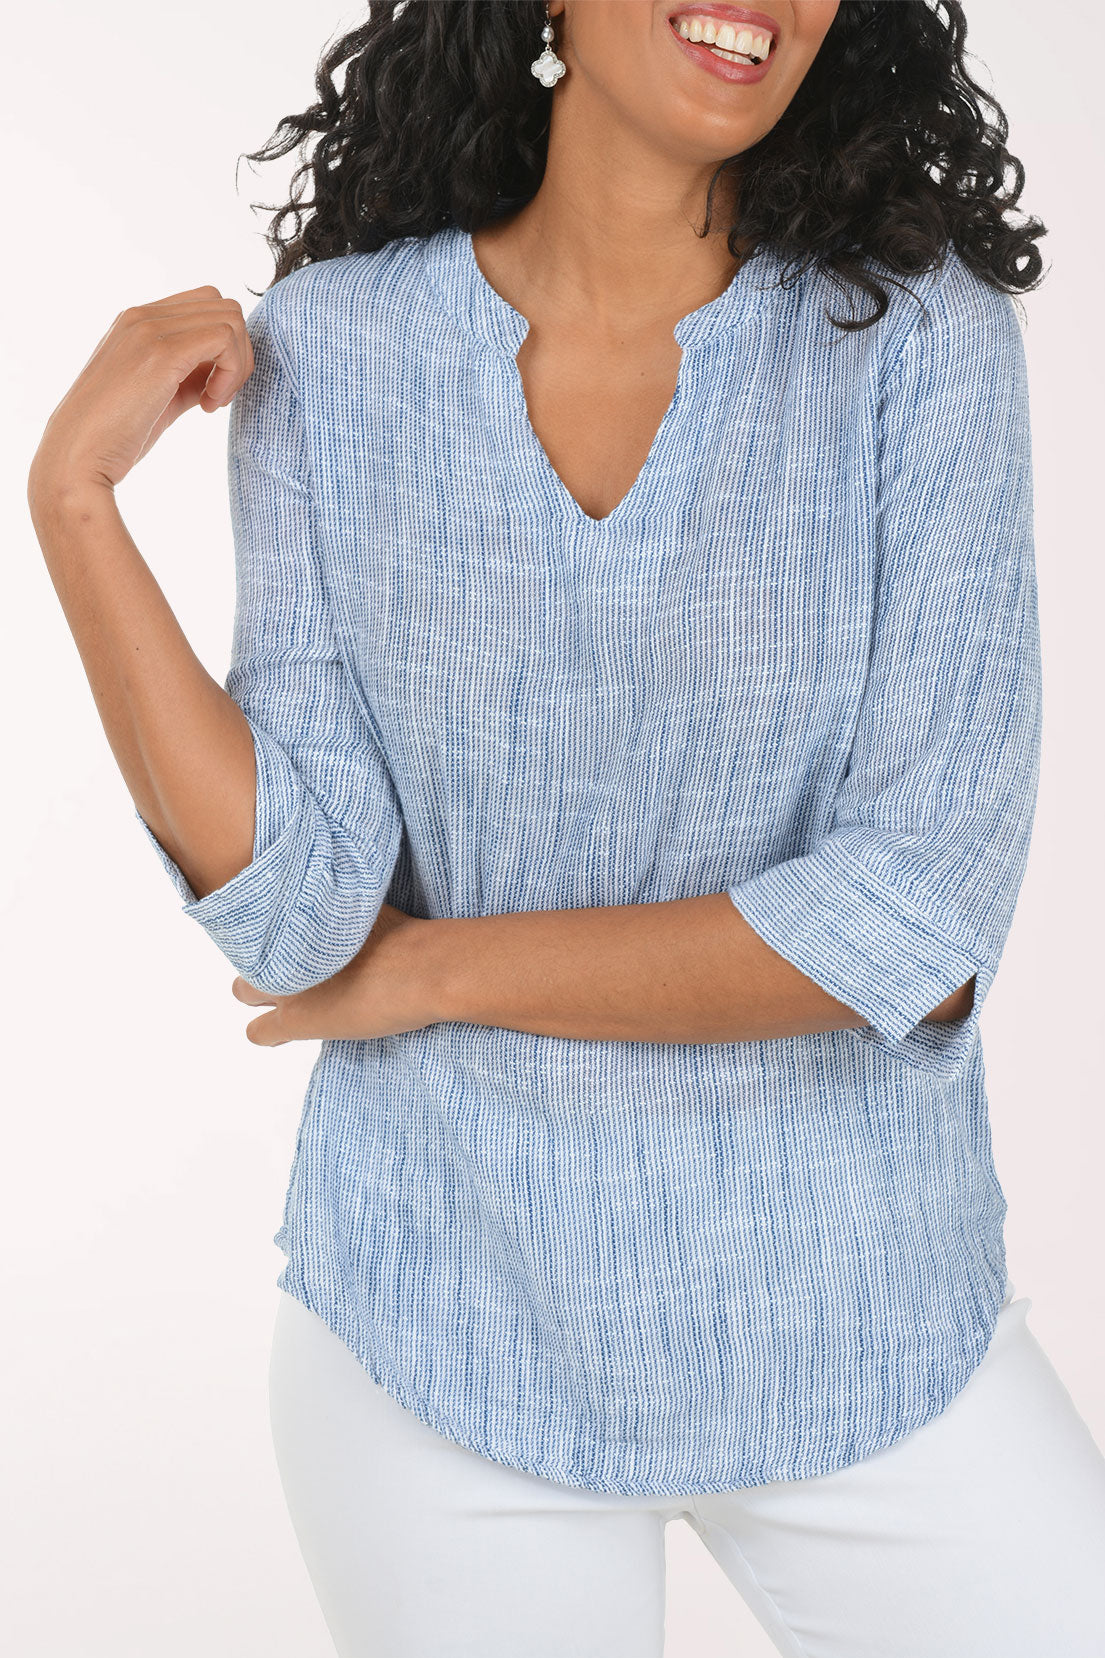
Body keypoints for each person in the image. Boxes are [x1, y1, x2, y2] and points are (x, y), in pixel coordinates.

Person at [27, 2, 1105, 1654]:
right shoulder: (335, 353)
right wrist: (79, 511)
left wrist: (438, 973)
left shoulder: (910, 338)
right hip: (440, 1329)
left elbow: (914, 919)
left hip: (857, 1310)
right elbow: (304, 915)